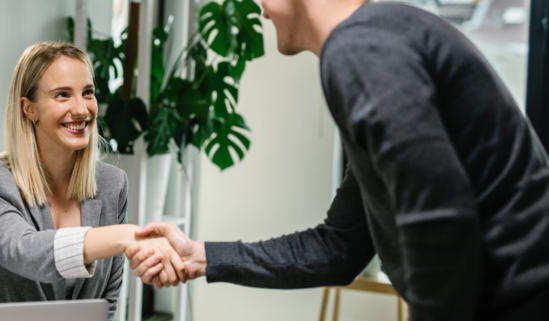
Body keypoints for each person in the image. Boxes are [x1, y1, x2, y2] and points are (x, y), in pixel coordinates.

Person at [126, 0, 549, 320]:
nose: (259, 8)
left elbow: (441, 227)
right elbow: (341, 247)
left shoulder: (361, 49)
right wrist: (199, 256)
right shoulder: (379, 41)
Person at [0, 42, 185, 320]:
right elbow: (24, 252)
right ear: (29, 108)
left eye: (88, 93)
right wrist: (127, 235)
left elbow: (107, 304)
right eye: (62, 95)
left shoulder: (112, 184)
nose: (81, 109)